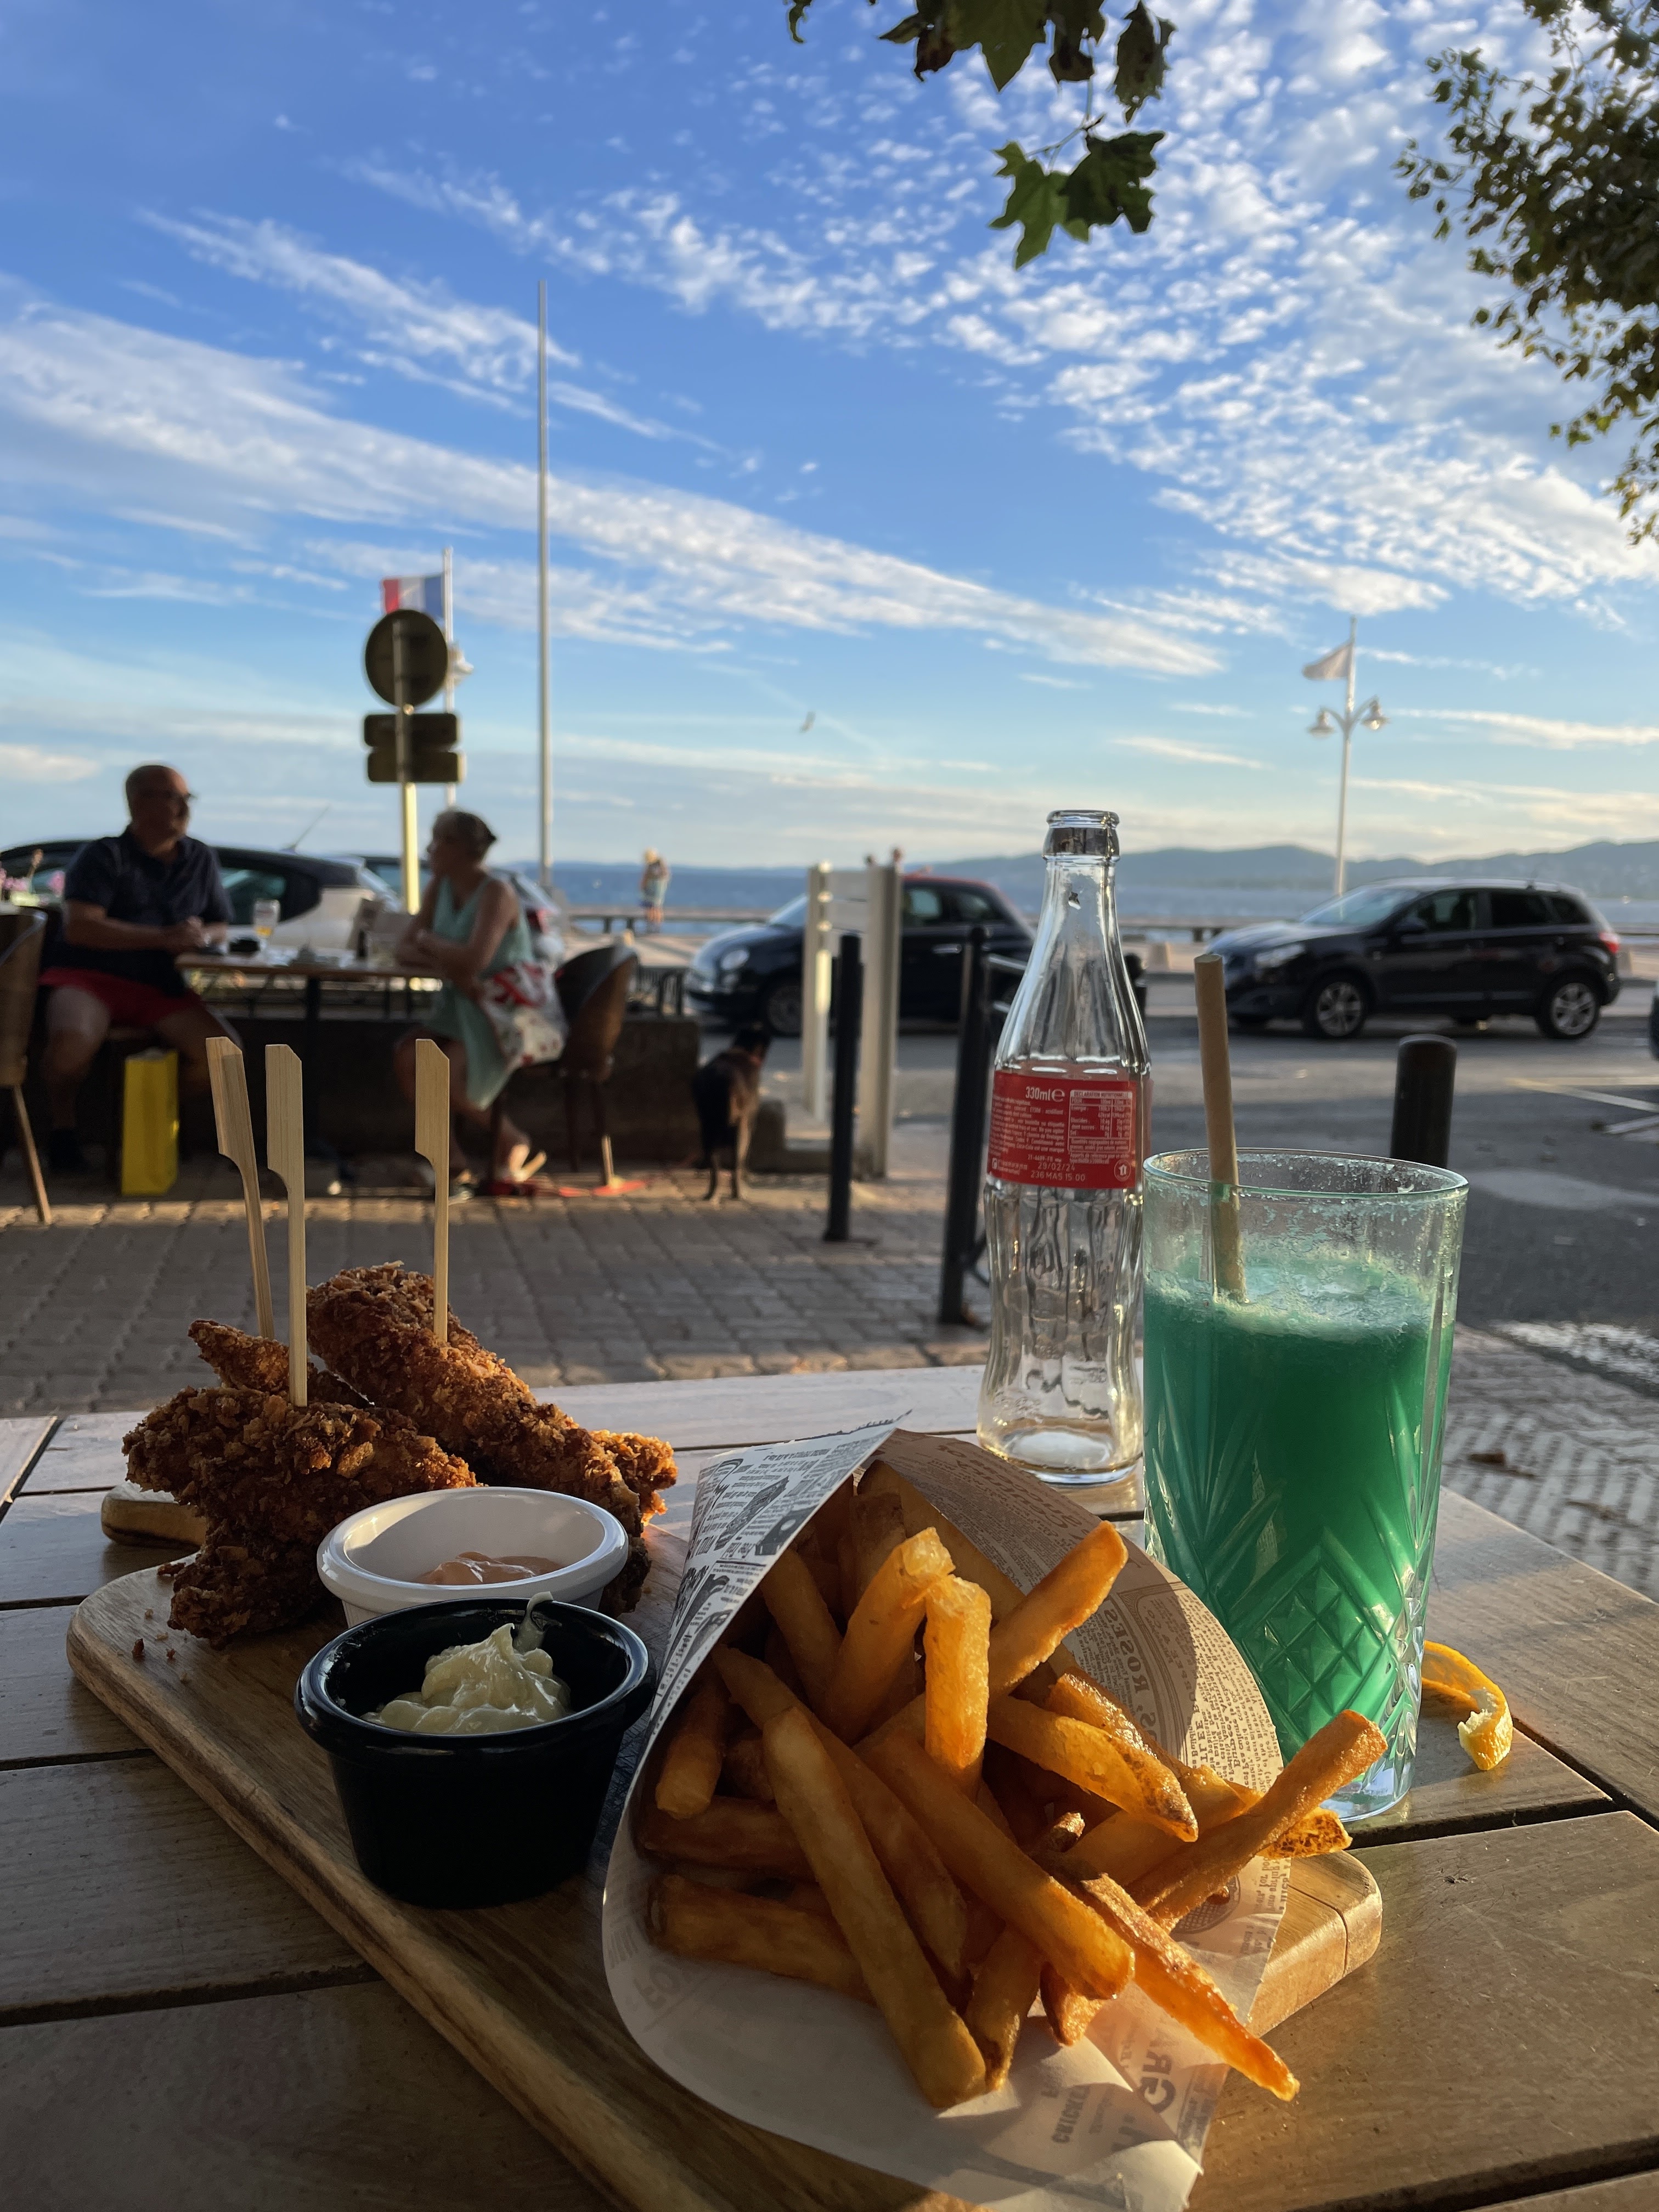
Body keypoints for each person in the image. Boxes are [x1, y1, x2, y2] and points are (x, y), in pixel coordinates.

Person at [40, 765, 234, 1174]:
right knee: (71, 1046)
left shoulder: (199, 857)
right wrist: (162, 938)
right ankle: (62, 1129)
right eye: (173, 798)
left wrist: (200, 935)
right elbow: (81, 926)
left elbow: (220, 923)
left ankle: (142, 1120)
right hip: (90, 977)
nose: (184, 808)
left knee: (224, 1057)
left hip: (160, 986)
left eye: (187, 799)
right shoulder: (103, 855)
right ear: (137, 802)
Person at [392, 809, 539, 1198]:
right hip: (458, 1004)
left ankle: (512, 1139)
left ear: (461, 849)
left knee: (446, 1074)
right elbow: (403, 948)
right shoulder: (438, 887)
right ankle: (451, 1161)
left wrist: (429, 943)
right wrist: (447, 959)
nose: (430, 849)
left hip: (499, 1013)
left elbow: (476, 959)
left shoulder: (497, 893)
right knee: (408, 1057)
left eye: (439, 840)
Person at [639, 849, 670, 933]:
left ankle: (652, 927)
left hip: (652, 894)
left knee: (651, 909)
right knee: (656, 909)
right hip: (658, 895)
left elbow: (644, 882)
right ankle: (656, 928)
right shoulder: (663, 868)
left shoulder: (651, 869)